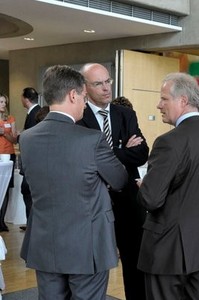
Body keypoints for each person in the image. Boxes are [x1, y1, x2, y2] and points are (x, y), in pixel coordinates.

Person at [19, 65, 128, 300]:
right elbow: (119, 179)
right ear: (72, 95)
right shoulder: (91, 139)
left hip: (44, 241)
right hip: (87, 244)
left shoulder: (27, 139)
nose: (85, 104)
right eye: (84, 97)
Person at [137, 72, 199, 299]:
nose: (159, 105)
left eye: (164, 99)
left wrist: (144, 186)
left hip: (169, 249)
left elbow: (151, 199)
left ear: (182, 100)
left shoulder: (169, 142)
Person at [77, 63, 149, 300]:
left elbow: (141, 153)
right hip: (93, 202)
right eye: (98, 83)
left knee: (135, 263)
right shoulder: (78, 117)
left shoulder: (125, 114)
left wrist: (105, 153)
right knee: (92, 267)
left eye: (108, 81)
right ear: (85, 88)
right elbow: (83, 158)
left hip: (127, 200)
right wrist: (119, 149)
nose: (107, 88)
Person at [19, 87, 41, 231]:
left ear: (25, 98)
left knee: (27, 191)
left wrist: (20, 136)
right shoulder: (37, 111)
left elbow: (32, 139)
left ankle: (32, 225)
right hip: (36, 163)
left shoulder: (35, 114)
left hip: (33, 163)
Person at [0, 93, 17, 232]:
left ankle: (2, 221)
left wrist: (4, 133)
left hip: (9, 155)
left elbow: (14, 139)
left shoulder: (10, 118)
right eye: (1, 102)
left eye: (5, 102)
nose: (4, 105)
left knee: (6, 188)